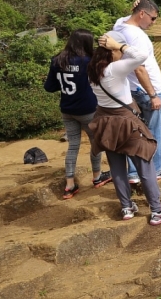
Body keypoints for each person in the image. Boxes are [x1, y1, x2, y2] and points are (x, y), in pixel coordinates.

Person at [87, 31, 161, 226]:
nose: (122, 54)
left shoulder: (92, 71)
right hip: (125, 122)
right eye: (118, 50)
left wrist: (115, 47)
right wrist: (120, 46)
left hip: (104, 121)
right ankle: (157, 210)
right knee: (144, 164)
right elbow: (141, 56)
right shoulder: (114, 69)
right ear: (111, 50)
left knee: (117, 166)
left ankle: (127, 207)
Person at [43, 29, 111, 199]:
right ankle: (97, 177)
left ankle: (70, 185)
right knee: (96, 143)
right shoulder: (89, 62)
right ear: (87, 43)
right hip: (88, 110)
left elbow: (49, 87)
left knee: (73, 146)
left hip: (67, 110)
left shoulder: (57, 60)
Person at [113, 0, 161, 184]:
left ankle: (133, 173)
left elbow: (125, 18)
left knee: (134, 131)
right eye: (153, 18)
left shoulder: (120, 26)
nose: (154, 23)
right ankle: (155, 169)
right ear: (141, 14)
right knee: (154, 132)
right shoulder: (137, 36)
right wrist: (153, 94)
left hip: (131, 89)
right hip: (147, 90)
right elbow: (140, 68)